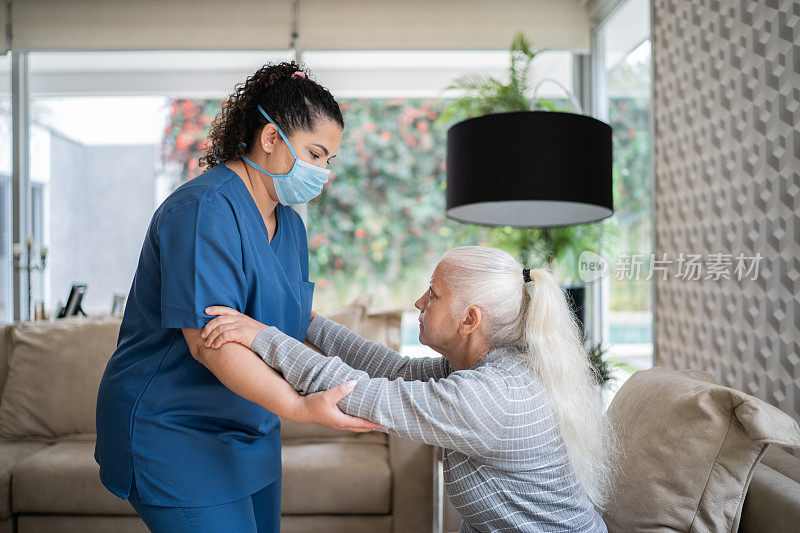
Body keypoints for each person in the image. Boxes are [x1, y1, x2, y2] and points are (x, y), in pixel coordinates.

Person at [94, 62, 380, 533]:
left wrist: (368, 382)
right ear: (270, 139)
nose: (324, 173)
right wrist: (302, 408)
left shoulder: (289, 225)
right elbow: (212, 343)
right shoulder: (204, 209)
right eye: (315, 153)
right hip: (174, 430)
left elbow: (289, 327)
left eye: (330, 160)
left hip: (251, 430)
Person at [201, 245, 618, 532]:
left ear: (470, 320)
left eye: (433, 295)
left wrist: (262, 337)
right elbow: (394, 370)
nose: (419, 302)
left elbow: (362, 394)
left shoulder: (492, 397)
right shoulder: (488, 369)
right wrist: (306, 321)